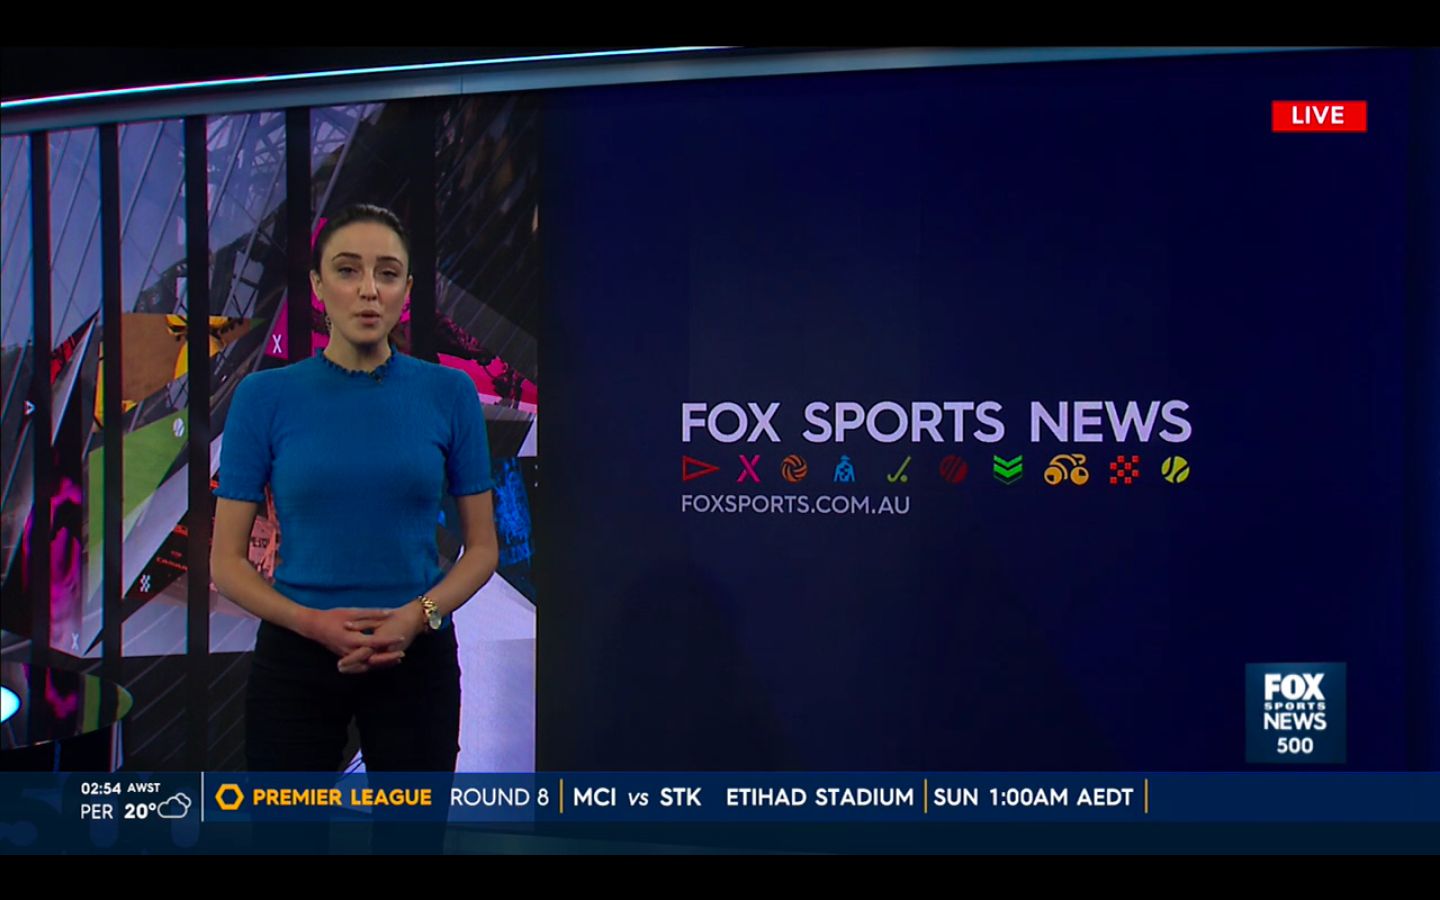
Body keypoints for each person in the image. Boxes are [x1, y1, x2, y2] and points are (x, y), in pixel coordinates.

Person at [211, 204, 499, 774]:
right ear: (318, 286)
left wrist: (416, 617)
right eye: (347, 270)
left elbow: (483, 549)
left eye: (387, 273)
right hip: (296, 655)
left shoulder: (450, 394)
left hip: (416, 656)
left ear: (406, 289)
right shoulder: (263, 398)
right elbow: (226, 563)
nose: (369, 290)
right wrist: (312, 624)